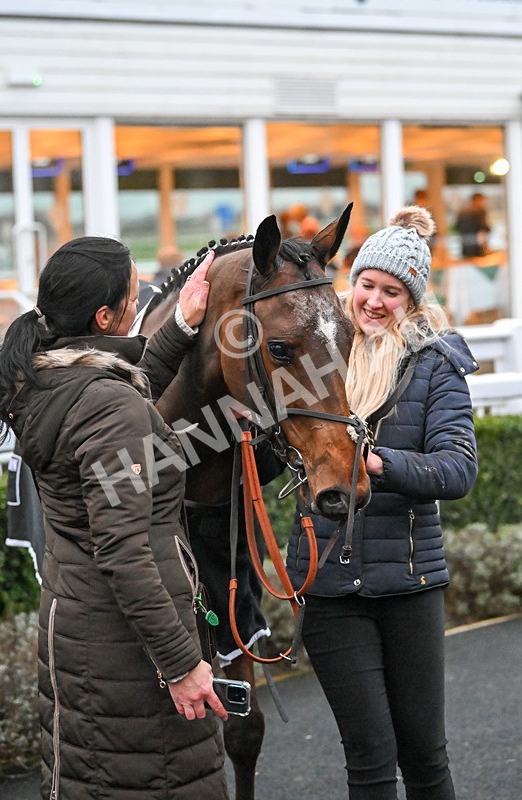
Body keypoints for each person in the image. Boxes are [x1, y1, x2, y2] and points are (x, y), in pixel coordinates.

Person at [0, 236, 229, 800]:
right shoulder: (104, 405)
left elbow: (119, 387)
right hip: (128, 651)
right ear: (105, 316)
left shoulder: (42, 377)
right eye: (133, 293)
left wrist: (181, 328)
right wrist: (181, 664)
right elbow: (123, 550)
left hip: (79, 630)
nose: (140, 298)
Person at [286, 206, 479, 799]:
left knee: (424, 756)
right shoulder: (315, 358)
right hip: (327, 587)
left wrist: (378, 464)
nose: (373, 300)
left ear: (412, 299)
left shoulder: (435, 364)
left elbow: (458, 467)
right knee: (369, 758)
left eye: (391, 291)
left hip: (411, 585)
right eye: (367, 284)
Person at [455, 192, 491, 258]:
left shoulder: (462, 212)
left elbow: (457, 227)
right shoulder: (480, 211)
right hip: (477, 248)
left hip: (465, 246)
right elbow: (485, 227)